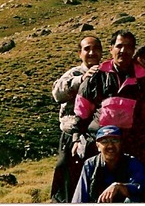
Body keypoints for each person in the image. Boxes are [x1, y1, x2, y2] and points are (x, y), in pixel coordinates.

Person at [74, 30, 145, 203]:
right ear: (111, 49)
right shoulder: (96, 76)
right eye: (119, 46)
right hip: (100, 141)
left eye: (129, 47)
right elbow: (82, 112)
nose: (123, 50)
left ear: (133, 50)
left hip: (134, 143)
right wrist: (77, 137)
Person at [51, 35, 103, 203]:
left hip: (97, 136)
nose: (91, 52)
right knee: (68, 180)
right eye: (87, 49)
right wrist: (81, 80)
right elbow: (57, 94)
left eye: (95, 48)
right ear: (79, 53)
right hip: (71, 135)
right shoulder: (73, 73)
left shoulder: (107, 73)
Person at [72, 125, 145, 203]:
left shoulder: (132, 163)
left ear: (121, 144)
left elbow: (139, 188)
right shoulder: (90, 164)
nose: (110, 145)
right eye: (104, 142)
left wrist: (119, 187)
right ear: (98, 146)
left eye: (114, 140)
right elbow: (80, 198)